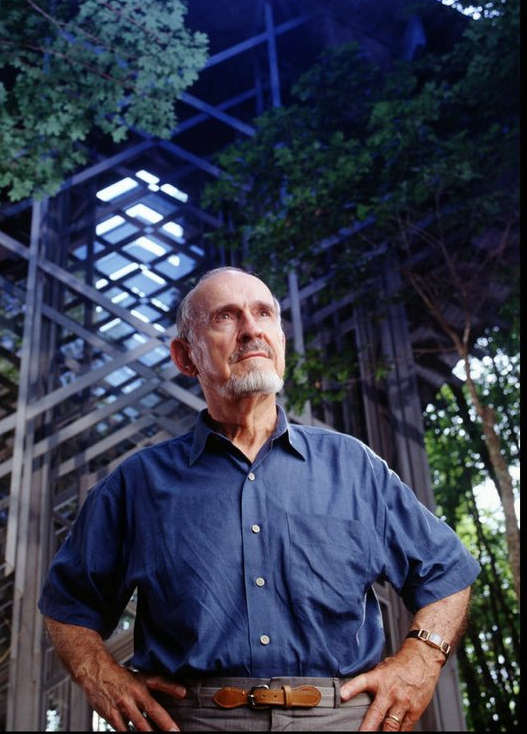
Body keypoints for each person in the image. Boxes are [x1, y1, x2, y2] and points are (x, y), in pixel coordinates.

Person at [38, 267, 480, 732]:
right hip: (194, 721)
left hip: (344, 719)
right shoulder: (137, 484)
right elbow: (69, 603)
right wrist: (97, 673)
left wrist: (420, 661)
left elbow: (447, 572)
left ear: (281, 340)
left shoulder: (353, 467)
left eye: (264, 313)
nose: (251, 329)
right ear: (186, 357)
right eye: (226, 317)